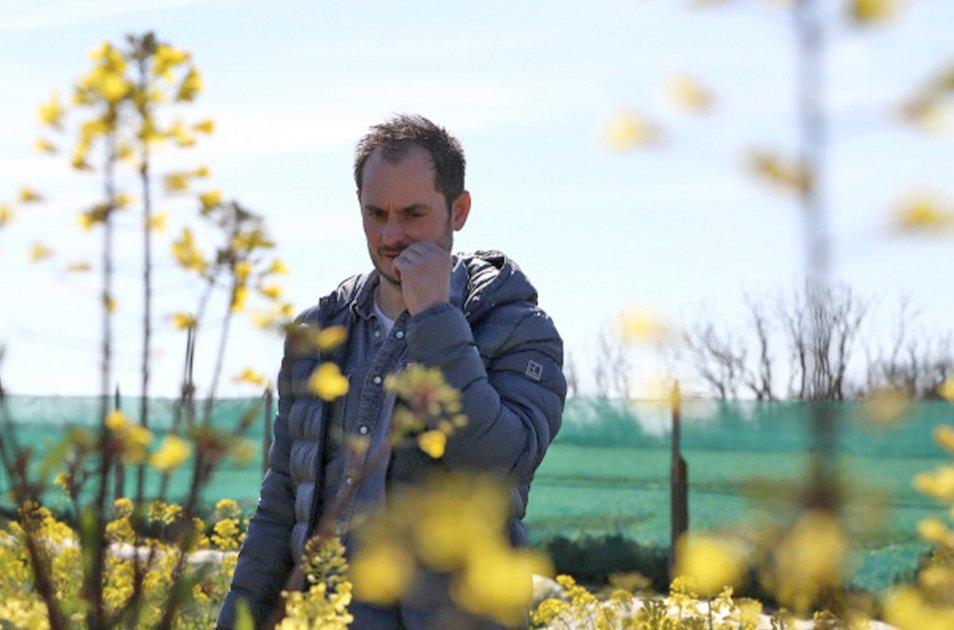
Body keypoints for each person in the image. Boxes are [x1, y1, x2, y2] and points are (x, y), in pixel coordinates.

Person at [218, 114, 566, 629]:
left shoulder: (518, 330)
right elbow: (282, 503)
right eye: (376, 213)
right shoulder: (319, 335)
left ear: (459, 210)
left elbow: (500, 465)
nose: (391, 235)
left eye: (413, 214)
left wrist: (435, 317)